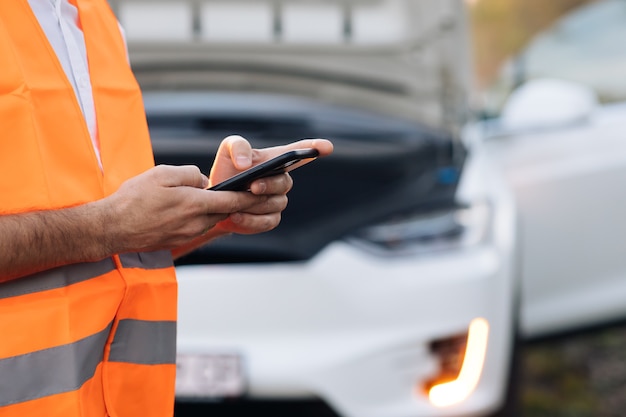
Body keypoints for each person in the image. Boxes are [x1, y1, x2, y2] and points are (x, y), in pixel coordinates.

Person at [0, 1, 333, 416]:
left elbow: (111, 246)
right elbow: (105, 228)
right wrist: (108, 226)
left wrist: (213, 210)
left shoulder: (94, 22)